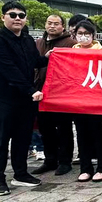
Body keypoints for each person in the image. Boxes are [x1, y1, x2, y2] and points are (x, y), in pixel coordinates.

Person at [0, 1, 48, 195]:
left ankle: (20, 173)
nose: (17, 18)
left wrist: (51, 56)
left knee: (22, 137)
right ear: (3, 17)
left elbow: (35, 62)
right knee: (0, 139)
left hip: (25, 99)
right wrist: (30, 90)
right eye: (12, 15)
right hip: (2, 98)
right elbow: (9, 70)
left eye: (21, 15)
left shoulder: (27, 40)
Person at [33, 14, 77, 177]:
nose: (52, 26)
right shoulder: (38, 42)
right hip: (40, 91)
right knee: (45, 128)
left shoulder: (71, 44)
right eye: (49, 23)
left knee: (64, 128)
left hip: (61, 92)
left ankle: (65, 161)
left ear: (63, 26)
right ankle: (50, 159)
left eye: (56, 24)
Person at [72, 20, 102, 182]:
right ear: (75, 35)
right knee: (81, 133)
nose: (83, 37)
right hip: (77, 98)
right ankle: (85, 168)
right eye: (80, 34)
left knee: (97, 131)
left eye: (87, 34)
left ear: (93, 35)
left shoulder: (101, 51)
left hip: (95, 98)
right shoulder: (71, 52)